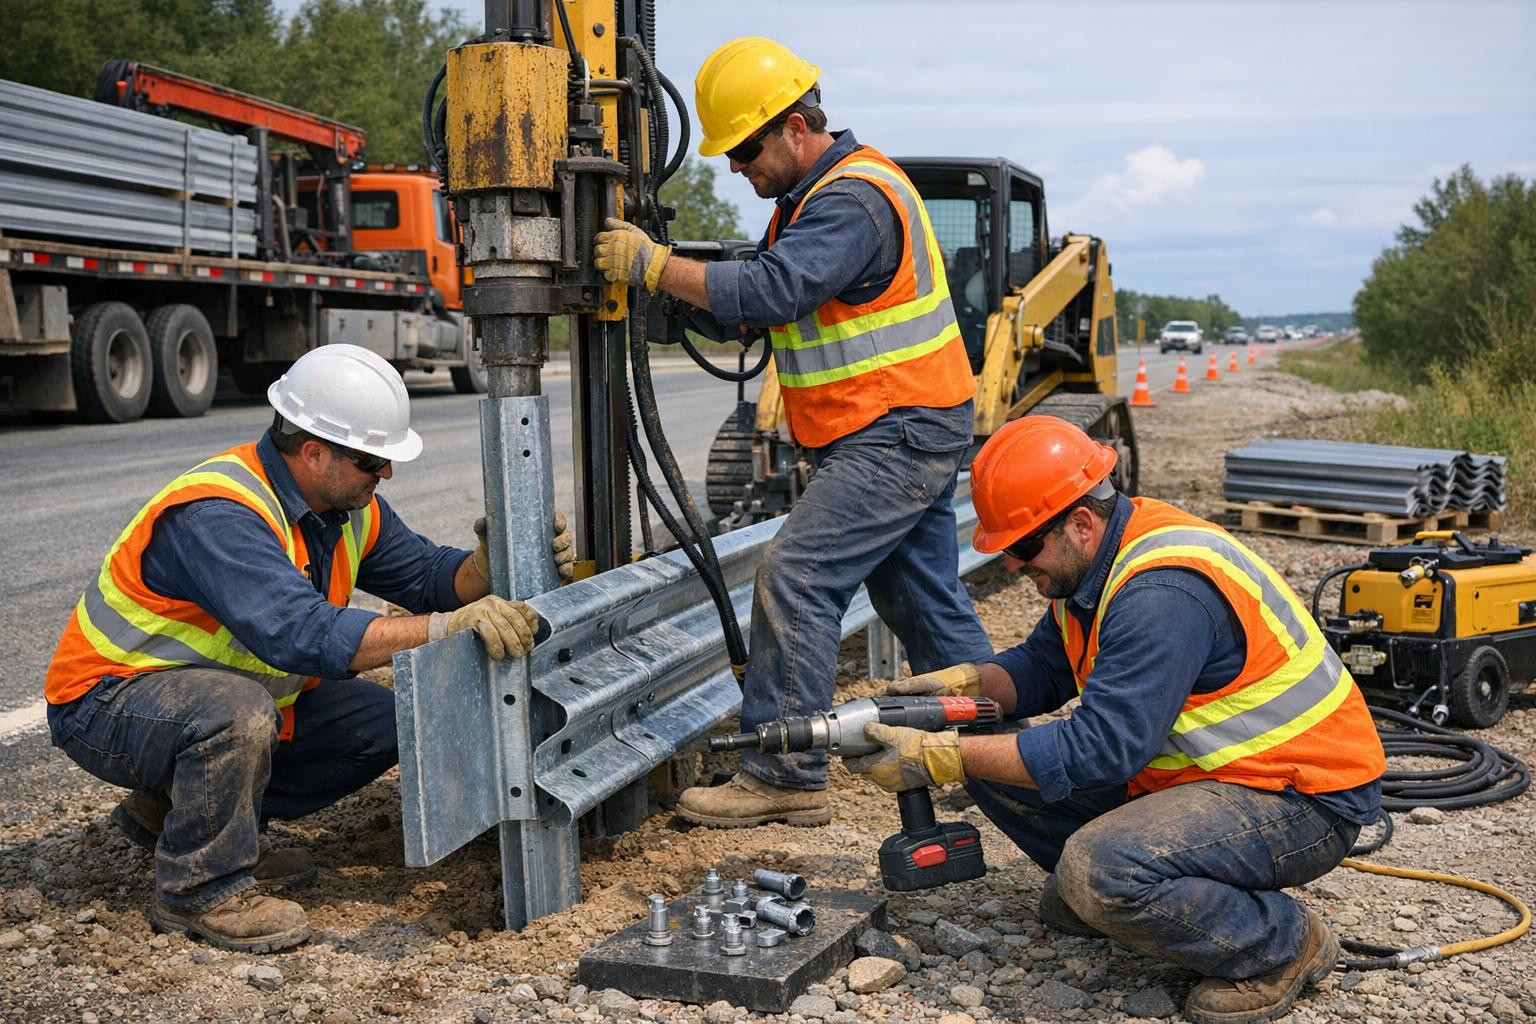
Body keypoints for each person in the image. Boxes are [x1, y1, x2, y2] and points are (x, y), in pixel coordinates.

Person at [845, 415, 1386, 1024]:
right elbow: (1046, 668)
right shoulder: (1100, 559)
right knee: (991, 757)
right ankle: (1140, 890)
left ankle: (1285, 945)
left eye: (1024, 548)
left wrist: (936, 756)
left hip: (1300, 795)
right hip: (1211, 775)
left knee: (1096, 870)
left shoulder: (1161, 593)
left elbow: (1102, 749)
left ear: (1080, 522)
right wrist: (961, 687)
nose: (1016, 568)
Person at [43, 344, 574, 953]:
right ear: (315, 451)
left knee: (389, 722)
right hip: (107, 702)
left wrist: (486, 566)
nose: (386, 474)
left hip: (202, 700)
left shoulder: (347, 504)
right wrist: (442, 628)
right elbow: (298, 634)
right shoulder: (222, 511)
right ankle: (201, 887)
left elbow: (427, 577)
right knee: (233, 712)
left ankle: (184, 814)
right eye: (373, 460)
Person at [593, 36, 993, 827]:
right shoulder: (811, 204)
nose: (737, 168)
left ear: (798, 127)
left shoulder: (850, 198)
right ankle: (993, 750)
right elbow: (777, 296)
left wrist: (653, 267)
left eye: (745, 149)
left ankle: (785, 775)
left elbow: (775, 291)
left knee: (798, 574)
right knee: (920, 597)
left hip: (897, 428)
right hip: (905, 422)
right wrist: (684, 288)